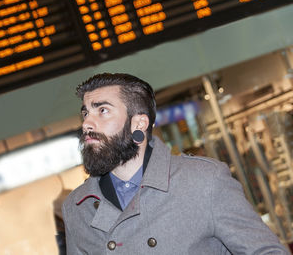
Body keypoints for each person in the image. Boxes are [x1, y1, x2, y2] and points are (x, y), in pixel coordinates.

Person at [61, 73, 289, 254]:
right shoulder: (77, 208)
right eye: (85, 114)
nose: (87, 124)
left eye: (102, 110)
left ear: (138, 124)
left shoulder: (204, 181)